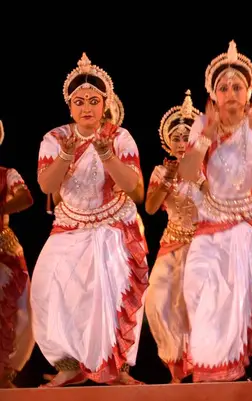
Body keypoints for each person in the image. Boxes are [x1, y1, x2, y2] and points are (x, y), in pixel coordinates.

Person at [178, 40, 252, 382]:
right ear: (214, 94)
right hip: (214, 222)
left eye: (237, 86)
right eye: (223, 87)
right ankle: (217, 368)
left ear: (248, 92)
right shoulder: (201, 125)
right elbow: (187, 174)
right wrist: (205, 137)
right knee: (203, 290)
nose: (230, 92)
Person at [32, 52, 148, 387]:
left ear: (104, 104)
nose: (86, 108)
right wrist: (68, 153)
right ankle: (67, 364)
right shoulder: (54, 138)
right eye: (79, 101)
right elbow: (46, 185)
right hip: (70, 224)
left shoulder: (119, 136)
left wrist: (106, 153)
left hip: (114, 225)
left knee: (113, 294)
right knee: (46, 287)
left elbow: (133, 188)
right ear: (70, 106)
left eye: (93, 101)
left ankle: (120, 370)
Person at [144, 90, 204, 383]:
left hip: (205, 245)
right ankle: (176, 369)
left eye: (188, 137)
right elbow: (152, 207)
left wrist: (200, 177)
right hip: (172, 242)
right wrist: (169, 178)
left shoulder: (212, 169)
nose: (182, 143)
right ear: (168, 140)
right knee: (157, 299)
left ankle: (206, 367)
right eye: (177, 138)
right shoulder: (160, 170)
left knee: (197, 304)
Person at [0, 120, 35, 388]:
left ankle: (5, 373)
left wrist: (1, 208)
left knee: (19, 309)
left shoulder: (6, 173)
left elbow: (25, 197)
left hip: (5, 249)